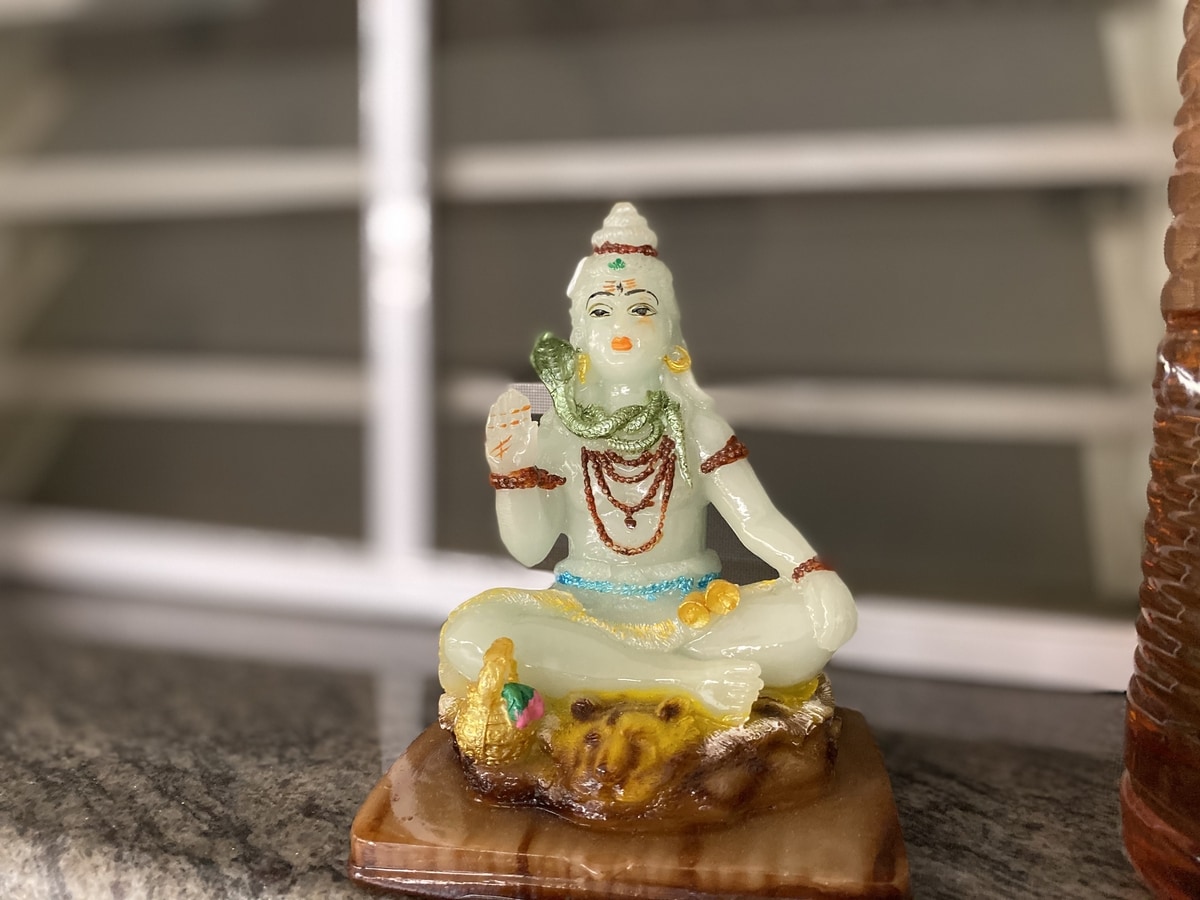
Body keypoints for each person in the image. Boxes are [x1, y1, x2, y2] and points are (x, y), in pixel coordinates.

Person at [439, 203, 856, 725]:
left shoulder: (697, 427)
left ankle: (609, 675)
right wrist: (512, 474)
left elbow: (755, 519)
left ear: (669, 333)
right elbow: (530, 549)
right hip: (584, 612)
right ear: (580, 334)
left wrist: (812, 573)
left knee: (812, 627)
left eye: (640, 309)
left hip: (693, 613)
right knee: (471, 635)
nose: (622, 326)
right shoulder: (561, 430)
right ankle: (685, 683)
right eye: (601, 311)